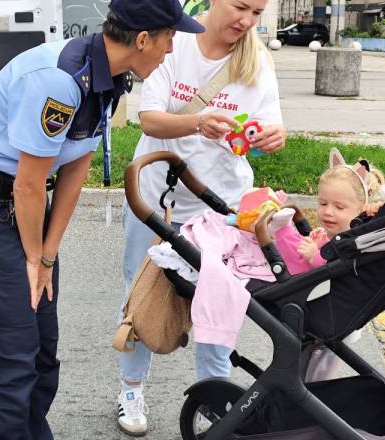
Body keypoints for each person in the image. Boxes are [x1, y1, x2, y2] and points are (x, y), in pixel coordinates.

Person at [0, 1, 206, 439]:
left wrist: (48, 256)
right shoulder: (60, 82)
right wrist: (34, 258)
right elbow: (29, 184)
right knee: (9, 364)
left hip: (18, 210)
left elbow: (75, 169)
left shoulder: (109, 78)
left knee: (41, 356)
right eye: (171, 37)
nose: (172, 49)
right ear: (143, 39)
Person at [114, 0, 287, 435]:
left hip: (221, 205)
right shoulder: (176, 42)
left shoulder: (257, 59)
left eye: (257, 12)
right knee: (142, 291)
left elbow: (270, 129)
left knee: (219, 300)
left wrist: (274, 137)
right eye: (240, 7)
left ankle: (215, 396)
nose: (246, 21)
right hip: (159, 196)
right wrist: (197, 122)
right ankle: (131, 389)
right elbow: (148, 119)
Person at [270, 149, 385, 276]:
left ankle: (281, 229)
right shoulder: (335, 234)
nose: (328, 212)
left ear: (361, 209)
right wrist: (320, 243)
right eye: (323, 203)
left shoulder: (355, 239)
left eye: (339, 207)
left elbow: (338, 266)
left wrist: (315, 256)